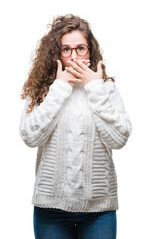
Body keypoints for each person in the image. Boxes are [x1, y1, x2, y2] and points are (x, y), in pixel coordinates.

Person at [19, 14, 132, 239]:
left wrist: (95, 89)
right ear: (56, 53)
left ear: (90, 51)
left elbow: (118, 140)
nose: (74, 56)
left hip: (99, 210)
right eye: (66, 49)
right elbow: (30, 137)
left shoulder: (105, 89)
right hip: (50, 208)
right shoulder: (44, 89)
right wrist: (59, 88)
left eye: (81, 48)